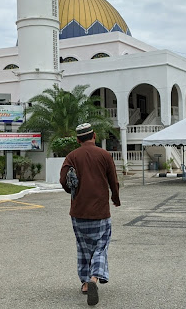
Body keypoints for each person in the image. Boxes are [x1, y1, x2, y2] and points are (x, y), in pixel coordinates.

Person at [60, 123, 121, 306]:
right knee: (100, 247)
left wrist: (74, 190)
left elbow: (63, 181)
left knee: (84, 248)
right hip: (101, 211)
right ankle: (95, 278)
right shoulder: (104, 155)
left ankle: (86, 284)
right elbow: (113, 181)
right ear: (94, 135)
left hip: (78, 212)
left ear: (78, 139)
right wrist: (115, 199)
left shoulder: (72, 156)